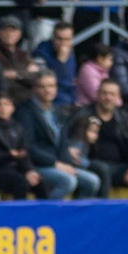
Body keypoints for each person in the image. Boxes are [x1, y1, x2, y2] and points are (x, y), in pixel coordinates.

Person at [69, 79, 128, 196]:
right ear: (97, 94)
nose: (108, 97)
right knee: (103, 169)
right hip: (91, 163)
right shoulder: (83, 115)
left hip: (119, 167)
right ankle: (105, 212)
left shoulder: (124, 118)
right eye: (104, 93)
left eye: (112, 94)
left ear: (118, 97)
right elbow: (73, 140)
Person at [18, 70, 101, 198]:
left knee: (92, 181)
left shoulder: (57, 111)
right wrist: (55, 164)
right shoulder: (25, 111)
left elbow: (63, 141)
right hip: (39, 165)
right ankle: (49, 214)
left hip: (58, 163)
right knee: (68, 181)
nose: (47, 90)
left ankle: (77, 217)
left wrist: (67, 162)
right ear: (35, 89)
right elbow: (29, 146)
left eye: (51, 86)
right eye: (42, 86)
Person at [0, 91, 44, 200]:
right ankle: (19, 215)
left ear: (13, 108)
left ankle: (44, 214)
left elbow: (24, 152)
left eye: (6, 104)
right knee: (21, 182)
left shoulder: (18, 127)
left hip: (17, 168)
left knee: (38, 181)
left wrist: (29, 170)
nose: (3, 108)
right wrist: (9, 155)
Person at [0, 15, 42, 102]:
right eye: (6, 30)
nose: (10, 34)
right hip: (2, 99)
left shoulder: (23, 55)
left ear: (20, 33)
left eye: (13, 30)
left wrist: (16, 74)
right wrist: (25, 73)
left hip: (25, 98)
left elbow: (35, 76)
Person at [32, 20, 77, 109]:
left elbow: (71, 82)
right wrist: (60, 62)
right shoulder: (41, 52)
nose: (62, 44)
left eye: (67, 39)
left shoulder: (71, 53)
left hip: (69, 101)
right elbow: (45, 81)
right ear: (53, 38)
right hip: (51, 102)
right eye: (59, 39)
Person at [75, 42, 113, 108]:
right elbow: (96, 95)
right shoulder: (87, 71)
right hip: (86, 108)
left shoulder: (103, 71)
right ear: (100, 59)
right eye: (109, 59)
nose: (111, 63)